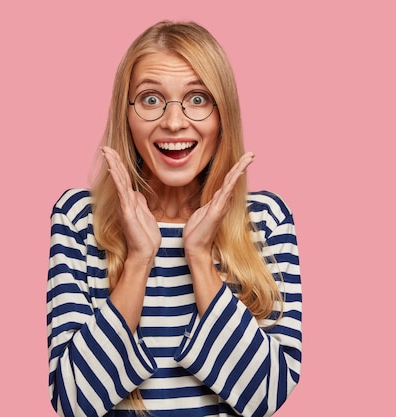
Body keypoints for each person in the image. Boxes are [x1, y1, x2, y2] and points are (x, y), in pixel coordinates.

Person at [47, 21, 302, 417]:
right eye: (151, 99)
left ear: (223, 114)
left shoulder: (266, 219)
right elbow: (74, 402)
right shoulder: (79, 218)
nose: (174, 122)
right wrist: (138, 260)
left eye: (197, 99)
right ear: (126, 115)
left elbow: (265, 397)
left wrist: (199, 255)